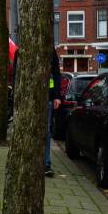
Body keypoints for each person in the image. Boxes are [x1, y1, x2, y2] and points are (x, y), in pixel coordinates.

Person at [46, 48, 61, 177]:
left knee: (46, 131)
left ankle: (46, 163)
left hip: (48, 98)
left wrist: (57, 96)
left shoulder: (50, 49)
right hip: (29, 99)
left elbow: (56, 73)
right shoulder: (23, 49)